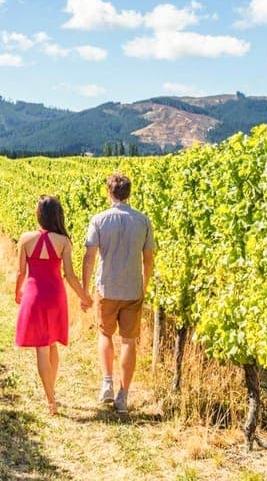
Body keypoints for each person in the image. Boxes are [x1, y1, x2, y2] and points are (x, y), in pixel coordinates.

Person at [81, 173, 155, 414]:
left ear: (109, 192)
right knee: (128, 341)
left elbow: (89, 257)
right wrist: (143, 286)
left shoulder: (99, 220)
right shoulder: (143, 221)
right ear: (129, 193)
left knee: (105, 334)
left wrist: (84, 289)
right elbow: (148, 259)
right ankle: (123, 395)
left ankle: (107, 383)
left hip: (106, 287)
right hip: (132, 288)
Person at [15, 195, 92, 415]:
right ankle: (52, 390)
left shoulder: (25, 238)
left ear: (38, 215)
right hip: (56, 296)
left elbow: (21, 272)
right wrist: (84, 297)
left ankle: (50, 400)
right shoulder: (63, 242)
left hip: (34, 294)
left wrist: (17, 292)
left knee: (41, 347)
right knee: (52, 344)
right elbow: (70, 275)